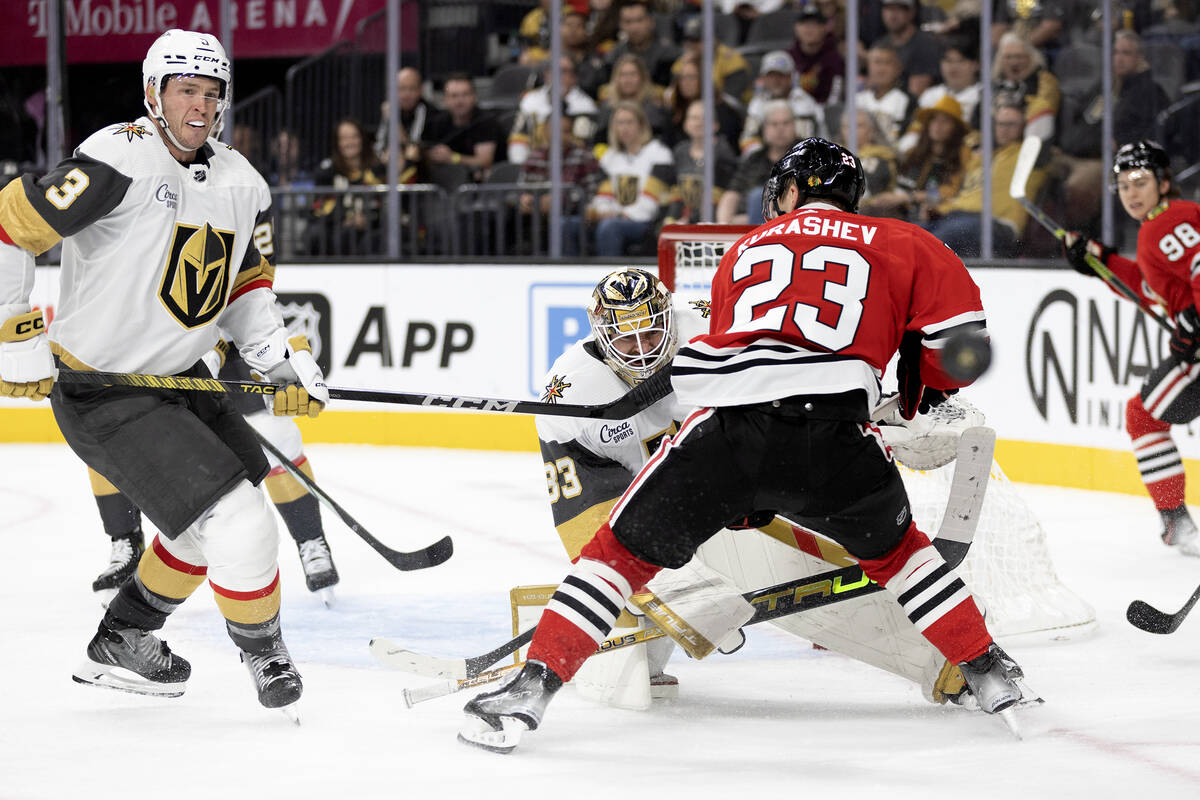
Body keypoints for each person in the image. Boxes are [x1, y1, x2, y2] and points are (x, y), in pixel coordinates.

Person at [458, 138, 1027, 752]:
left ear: (789, 191)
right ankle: (989, 670)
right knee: (905, 559)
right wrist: (921, 392)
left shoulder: (746, 250)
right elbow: (960, 353)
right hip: (838, 434)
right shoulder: (909, 240)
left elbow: (744, 355)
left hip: (728, 430)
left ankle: (530, 692)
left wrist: (743, 490)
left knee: (614, 559)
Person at [0, 29, 328, 712]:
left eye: (213, 93)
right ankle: (264, 652)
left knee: (201, 530)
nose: (201, 105)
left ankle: (125, 638)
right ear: (154, 94)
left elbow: (245, 293)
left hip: (186, 379)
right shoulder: (118, 157)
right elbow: (10, 223)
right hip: (105, 390)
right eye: (186, 90)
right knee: (241, 525)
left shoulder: (244, 182)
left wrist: (280, 362)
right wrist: (11, 329)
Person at [89, 337, 340, 606]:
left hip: (232, 345)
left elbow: (246, 303)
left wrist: (218, 341)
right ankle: (126, 543)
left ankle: (311, 540)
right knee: (111, 436)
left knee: (278, 436)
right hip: (157, 346)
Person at [1062, 140, 1200, 557]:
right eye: (1123, 186)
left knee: (1143, 416)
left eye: (1140, 181)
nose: (1132, 193)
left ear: (1163, 182)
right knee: (1143, 414)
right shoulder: (1157, 227)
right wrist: (1101, 262)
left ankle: (1176, 522)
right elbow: (1152, 287)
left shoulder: (1171, 220)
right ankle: (1177, 524)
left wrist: (1195, 320)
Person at [1059, 31, 1170, 234]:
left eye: (1126, 53)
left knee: (1078, 186)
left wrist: (1117, 143)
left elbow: (1152, 135)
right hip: (1075, 153)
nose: (1118, 58)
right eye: (1115, 52)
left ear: (1140, 58)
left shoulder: (1149, 91)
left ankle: (1079, 241)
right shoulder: (1105, 87)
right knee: (1041, 171)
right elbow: (1085, 119)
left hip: (1106, 161)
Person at [925, 95, 1046, 258]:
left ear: (1024, 126)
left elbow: (1045, 109)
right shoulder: (982, 158)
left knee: (935, 242)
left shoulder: (1030, 154)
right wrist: (939, 209)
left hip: (996, 224)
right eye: (1000, 124)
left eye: (1011, 124)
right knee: (910, 234)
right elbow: (967, 195)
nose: (1004, 129)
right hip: (957, 217)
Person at [577, 101, 674, 256]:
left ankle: (611, 279)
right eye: (619, 123)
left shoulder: (659, 154)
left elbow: (651, 202)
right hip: (613, 218)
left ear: (641, 125)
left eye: (629, 122)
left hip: (645, 222)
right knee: (569, 225)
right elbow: (603, 197)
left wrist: (621, 215)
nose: (624, 128)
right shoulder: (610, 157)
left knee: (609, 227)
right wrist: (601, 212)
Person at [307, 117, 386, 256]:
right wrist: (347, 218)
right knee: (319, 235)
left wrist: (367, 220)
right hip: (335, 229)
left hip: (372, 228)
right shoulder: (326, 173)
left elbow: (385, 202)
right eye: (344, 138)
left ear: (362, 139)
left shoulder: (377, 169)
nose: (349, 143)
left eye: (354, 137)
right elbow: (320, 210)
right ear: (337, 143)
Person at [717, 100, 797, 225]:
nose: (780, 129)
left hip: (792, 226)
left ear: (794, 126)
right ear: (764, 129)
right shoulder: (753, 160)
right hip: (751, 230)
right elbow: (732, 194)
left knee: (757, 196)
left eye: (785, 123)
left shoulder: (807, 156)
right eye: (774, 124)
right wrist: (724, 223)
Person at [507, 57, 598, 166]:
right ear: (546, 75)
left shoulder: (586, 106)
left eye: (564, 71)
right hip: (534, 164)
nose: (558, 76)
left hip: (573, 166)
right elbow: (518, 137)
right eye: (553, 70)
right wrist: (520, 165)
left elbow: (586, 145)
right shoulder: (529, 101)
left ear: (574, 77)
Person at [667, 99, 738, 224]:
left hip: (713, 220)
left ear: (715, 125)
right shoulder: (680, 151)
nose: (698, 123)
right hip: (681, 218)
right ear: (686, 124)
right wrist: (672, 218)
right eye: (693, 118)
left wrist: (688, 220)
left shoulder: (724, 154)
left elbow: (724, 196)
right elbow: (675, 189)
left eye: (704, 118)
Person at [423, 73, 503, 182]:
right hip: (445, 183)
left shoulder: (486, 121)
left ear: (475, 97)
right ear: (445, 100)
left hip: (481, 184)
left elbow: (485, 161)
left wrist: (453, 158)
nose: (459, 101)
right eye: (454, 96)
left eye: (465, 95)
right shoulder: (437, 122)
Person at [739, 50, 821, 155]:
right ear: (763, 78)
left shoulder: (803, 102)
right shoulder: (758, 102)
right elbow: (748, 138)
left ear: (790, 77)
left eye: (780, 76)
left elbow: (806, 144)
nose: (775, 81)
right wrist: (762, 159)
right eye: (771, 76)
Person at [991, 32, 1060, 144]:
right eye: (1008, 57)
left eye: (1019, 57)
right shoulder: (994, 86)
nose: (1014, 62)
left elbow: (1043, 110)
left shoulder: (1044, 82)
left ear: (1031, 58)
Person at [873, 0, 942, 97]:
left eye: (899, 9)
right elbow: (871, 86)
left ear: (912, 12)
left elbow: (915, 95)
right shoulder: (880, 44)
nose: (892, 15)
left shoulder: (926, 44)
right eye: (888, 8)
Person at [594, 54, 669, 143]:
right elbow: (598, 141)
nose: (628, 79)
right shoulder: (607, 108)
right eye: (623, 75)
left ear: (642, 77)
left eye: (633, 74)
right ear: (616, 79)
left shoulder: (654, 108)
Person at [604, 1, 680, 88]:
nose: (634, 27)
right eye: (628, 22)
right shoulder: (614, 57)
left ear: (651, 22)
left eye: (639, 20)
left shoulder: (669, 55)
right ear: (621, 25)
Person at [856, 44, 914, 148]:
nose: (881, 69)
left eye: (887, 63)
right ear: (868, 66)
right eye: (877, 62)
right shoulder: (858, 100)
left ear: (898, 68)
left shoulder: (907, 101)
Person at [788, 3, 845, 105]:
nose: (809, 28)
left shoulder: (834, 59)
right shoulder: (788, 57)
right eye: (804, 23)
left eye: (815, 24)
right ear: (796, 28)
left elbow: (835, 97)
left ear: (824, 28)